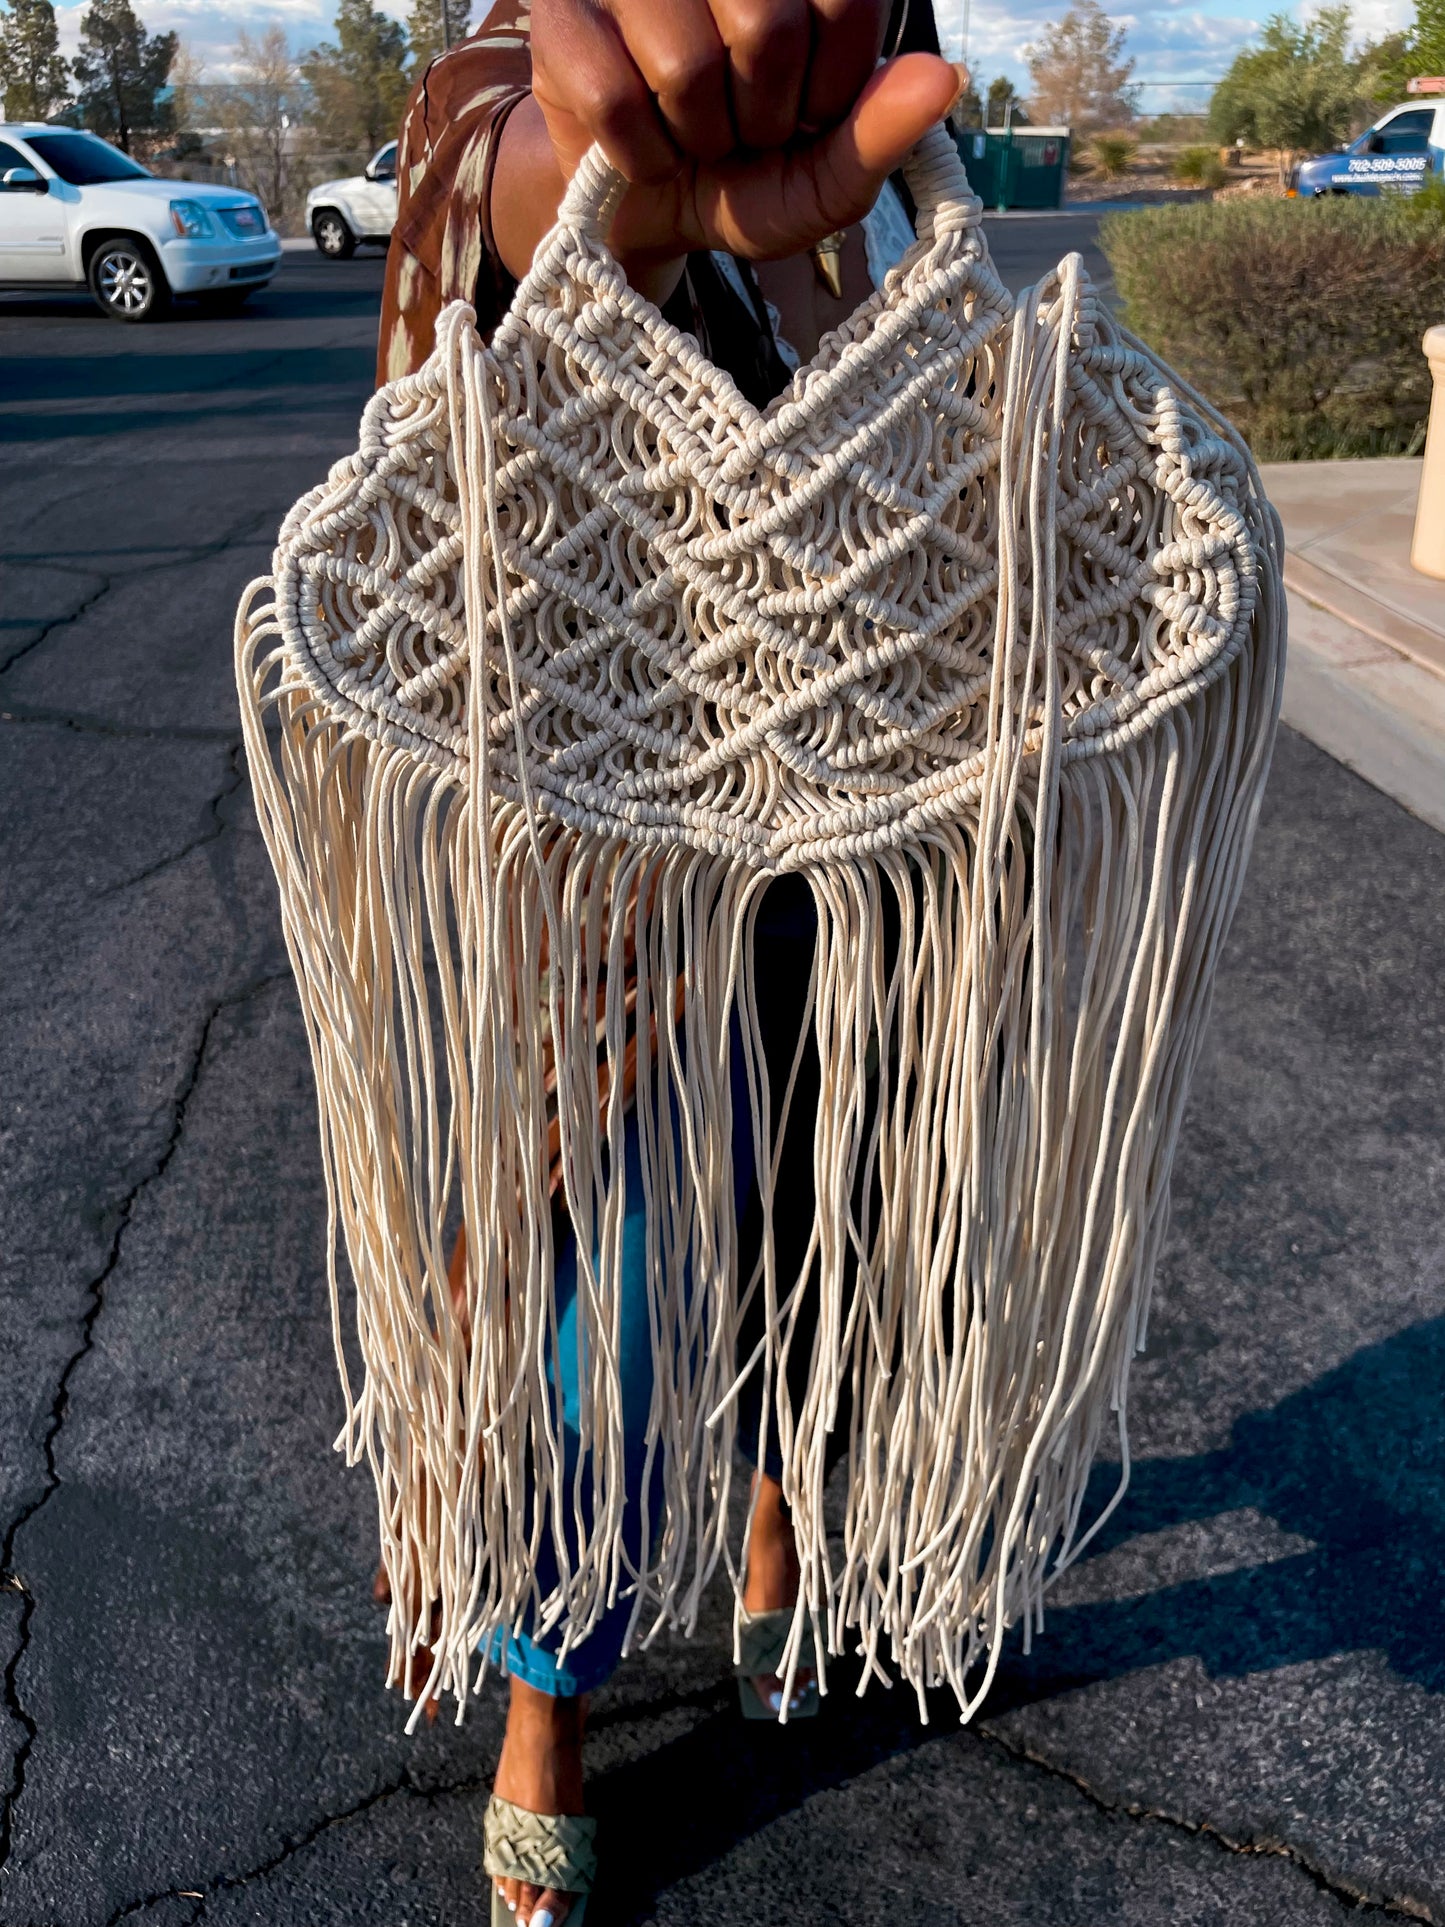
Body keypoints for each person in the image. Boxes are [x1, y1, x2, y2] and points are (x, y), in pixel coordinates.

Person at [376, 6, 968, 1922]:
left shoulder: (878, 27)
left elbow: (921, 371)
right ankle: (550, 1679)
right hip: (606, 786)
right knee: (602, 1266)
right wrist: (618, 193)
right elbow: (490, 178)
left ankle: (780, 1501)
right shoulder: (497, 41)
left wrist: (807, 263)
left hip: (851, 751)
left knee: (829, 1186)